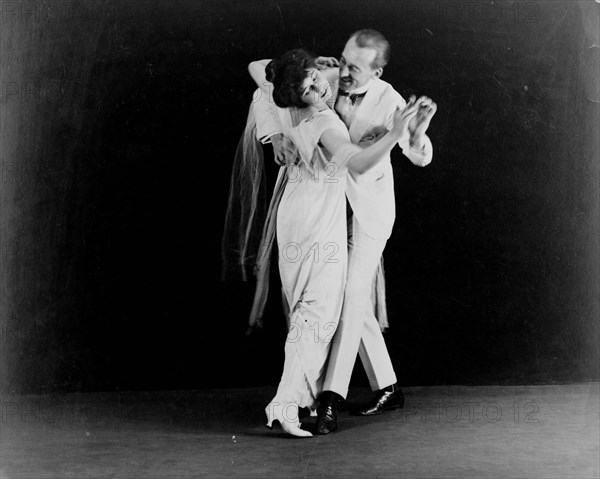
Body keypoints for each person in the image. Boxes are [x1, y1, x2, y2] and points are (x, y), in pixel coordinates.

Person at [250, 30, 437, 435]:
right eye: (342, 59)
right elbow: (262, 73)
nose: (342, 71)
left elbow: (419, 156)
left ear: (378, 70)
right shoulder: (327, 79)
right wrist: (277, 133)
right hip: (324, 212)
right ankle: (387, 385)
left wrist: (416, 131)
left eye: (354, 67)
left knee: (350, 297)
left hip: (368, 212)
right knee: (340, 300)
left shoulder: (390, 101)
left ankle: (329, 397)